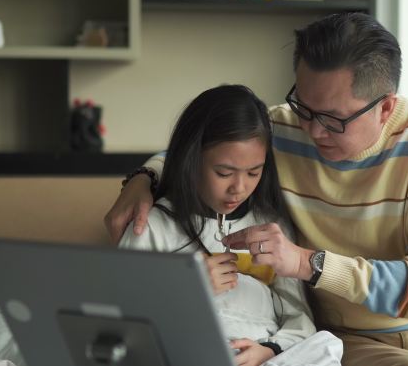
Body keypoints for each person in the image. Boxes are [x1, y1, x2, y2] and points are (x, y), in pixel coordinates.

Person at [107, 13, 408, 365]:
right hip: (348, 337)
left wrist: (307, 263)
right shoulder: (285, 129)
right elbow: (211, 147)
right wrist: (143, 178)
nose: (312, 129)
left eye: (333, 120)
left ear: (386, 107)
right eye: (303, 107)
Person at [118, 84, 343, 366]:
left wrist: (271, 349)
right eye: (223, 173)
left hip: (262, 353)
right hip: (187, 350)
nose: (238, 188)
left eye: (253, 172)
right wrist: (185, 291)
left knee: (326, 347)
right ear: (192, 158)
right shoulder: (153, 225)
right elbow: (120, 315)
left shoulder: (271, 226)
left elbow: (297, 317)